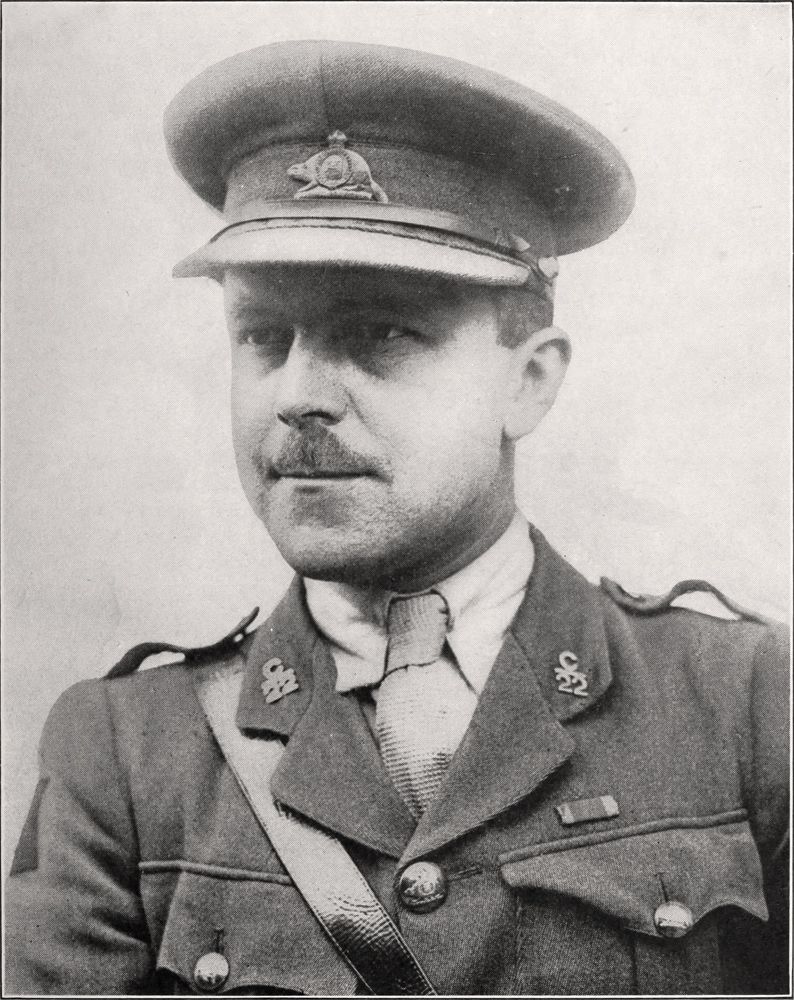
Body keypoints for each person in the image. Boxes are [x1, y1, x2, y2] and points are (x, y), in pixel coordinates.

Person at [6, 39, 788, 997]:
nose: (298, 395)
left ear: (528, 382)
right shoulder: (126, 756)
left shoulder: (749, 706)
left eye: (379, 333)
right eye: (263, 335)